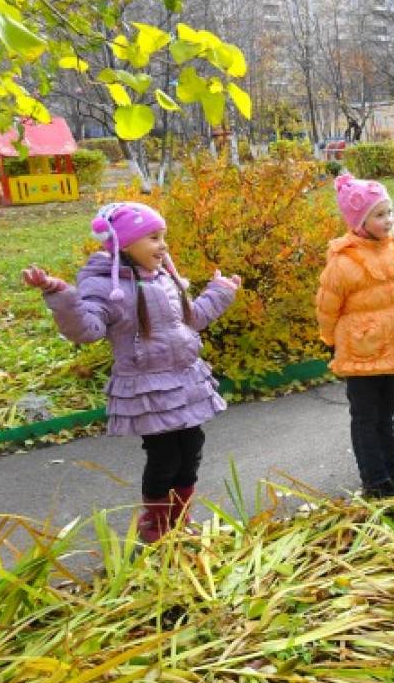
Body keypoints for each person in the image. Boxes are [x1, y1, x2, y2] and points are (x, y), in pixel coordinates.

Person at [22, 202, 240, 543]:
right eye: (153, 238)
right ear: (124, 244)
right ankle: (155, 527)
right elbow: (87, 329)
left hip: (183, 380)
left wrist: (221, 292)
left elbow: (192, 318)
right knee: (164, 457)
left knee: (191, 448)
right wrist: (60, 294)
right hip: (148, 390)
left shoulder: (165, 278)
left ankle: (180, 522)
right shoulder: (106, 285)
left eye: (163, 237)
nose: (163, 245)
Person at [316, 175, 394, 498]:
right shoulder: (343, 262)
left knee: (386, 415)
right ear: (359, 220)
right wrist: (330, 340)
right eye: (379, 214)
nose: (388, 220)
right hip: (360, 353)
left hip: (392, 350)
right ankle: (375, 481)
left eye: (389, 212)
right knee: (365, 418)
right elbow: (327, 307)